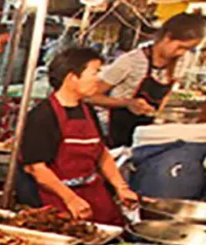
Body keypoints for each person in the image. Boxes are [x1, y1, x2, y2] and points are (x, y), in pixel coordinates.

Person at [17, 46, 139, 224]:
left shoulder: (87, 109)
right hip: (57, 197)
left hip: (94, 192)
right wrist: (71, 199)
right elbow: (38, 169)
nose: (99, 80)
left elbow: (101, 153)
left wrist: (121, 187)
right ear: (72, 78)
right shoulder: (42, 115)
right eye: (94, 73)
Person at [88, 13, 206, 148]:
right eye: (181, 47)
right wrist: (127, 103)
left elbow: (168, 92)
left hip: (148, 132)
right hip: (119, 131)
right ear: (167, 37)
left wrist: (159, 116)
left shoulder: (183, 61)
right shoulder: (131, 61)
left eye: (188, 49)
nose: (182, 53)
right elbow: (90, 96)